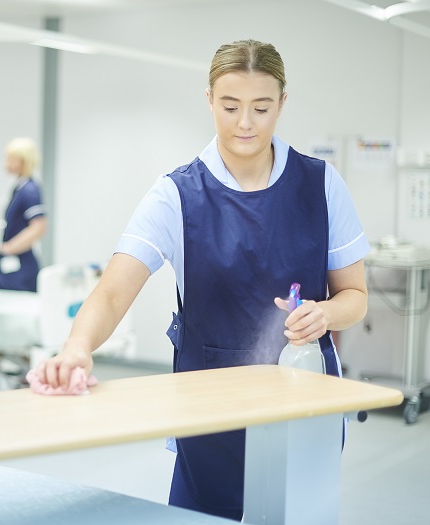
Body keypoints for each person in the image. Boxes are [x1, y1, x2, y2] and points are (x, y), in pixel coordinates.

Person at [34, 40, 369, 520]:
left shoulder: (320, 185)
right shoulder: (177, 194)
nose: (245, 123)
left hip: (304, 403)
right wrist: (76, 348)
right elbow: (111, 292)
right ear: (209, 99)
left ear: (283, 103)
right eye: (230, 106)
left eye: (261, 107)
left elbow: (355, 297)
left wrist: (327, 312)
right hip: (209, 410)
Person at [0, 137, 47, 293]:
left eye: (11, 159)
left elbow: (39, 227)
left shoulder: (29, 190)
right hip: (11, 265)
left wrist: (10, 248)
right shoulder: (19, 187)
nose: (6, 163)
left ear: (23, 161)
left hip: (20, 269)